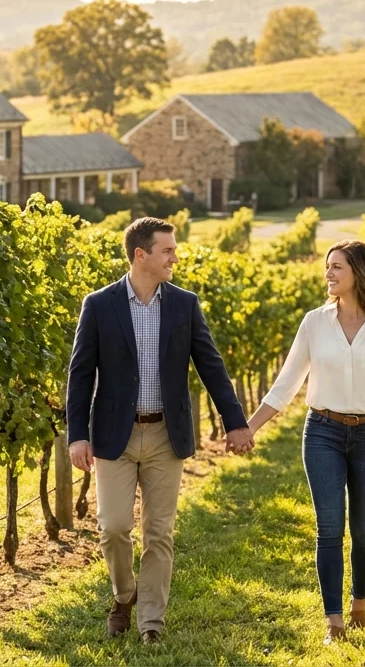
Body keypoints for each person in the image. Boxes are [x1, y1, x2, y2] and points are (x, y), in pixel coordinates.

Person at [66, 216, 254, 644]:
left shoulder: (184, 304)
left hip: (167, 435)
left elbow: (211, 365)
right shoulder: (99, 304)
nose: (175, 258)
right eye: (167, 250)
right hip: (114, 436)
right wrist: (78, 435)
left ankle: (151, 622)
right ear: (141, 255)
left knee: (159, 533)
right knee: (113, 527)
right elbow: (80, 374)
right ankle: (124, 595)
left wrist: (235, 422)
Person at [245, 239, 365, 645]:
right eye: (328, 266)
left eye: (337, 267)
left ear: (360, 272)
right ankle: (334, 620)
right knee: (329, 528)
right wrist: (249, 428)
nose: (329, 273)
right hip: (323, 431)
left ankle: (360, 602)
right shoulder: (314, 322)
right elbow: (286, 384)